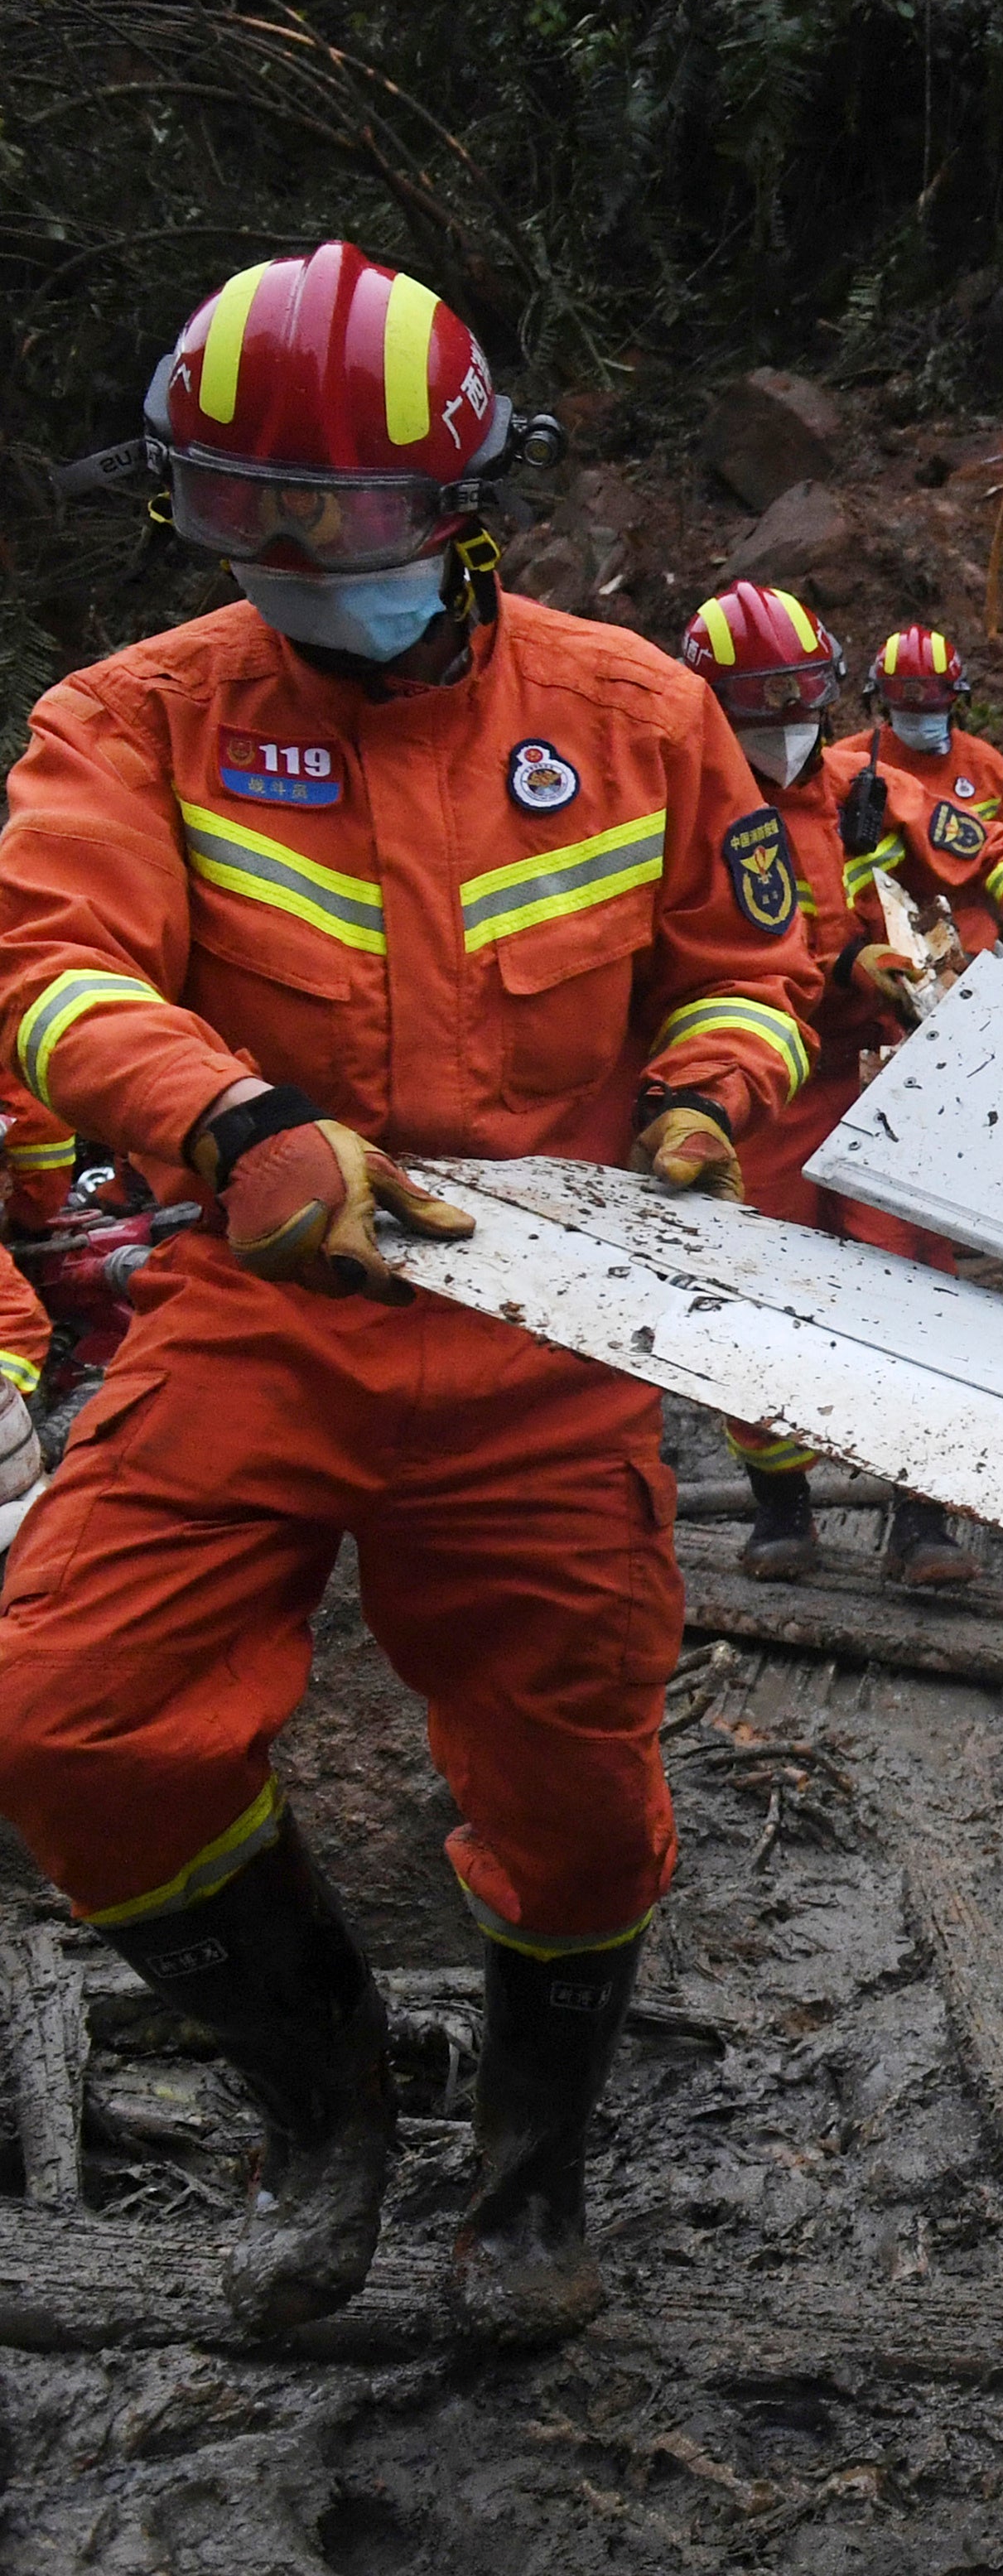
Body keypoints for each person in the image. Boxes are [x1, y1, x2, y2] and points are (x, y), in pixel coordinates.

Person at [0, 242, 816, 2342]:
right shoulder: (136, 718)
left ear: (467, 500)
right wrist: (223, 1120)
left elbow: (748, 965)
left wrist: (713, 1094)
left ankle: (525, 2185)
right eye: (232, 510)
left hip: (547, 1330)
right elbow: (55, 969)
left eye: (334, 514)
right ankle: (327, 2105)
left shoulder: (636, 714)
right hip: (261, 1298)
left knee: (576, 1789)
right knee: (71, 1713)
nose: (285, 555)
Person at [672, 581, 977, 1590]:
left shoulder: (849, 785)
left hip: (871, 1073)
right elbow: (716, 954)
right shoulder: (671, 807)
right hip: (758, 1088)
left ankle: (922, 1516)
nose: (792, 733)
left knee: (912, 1288)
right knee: (752, 1295)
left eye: (805, 707)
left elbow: (951, 862)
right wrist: (845, 966)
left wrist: (982, 919)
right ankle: (781, 1505)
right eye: (768, 714)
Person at [824, 625, 1003, 955]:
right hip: (878, 938)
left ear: (955, 699)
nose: (917, 718)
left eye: (928, 706)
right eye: (905, 708)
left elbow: (1001, 852)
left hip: (970, 934)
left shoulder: (990, 769)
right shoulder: (851, 765)